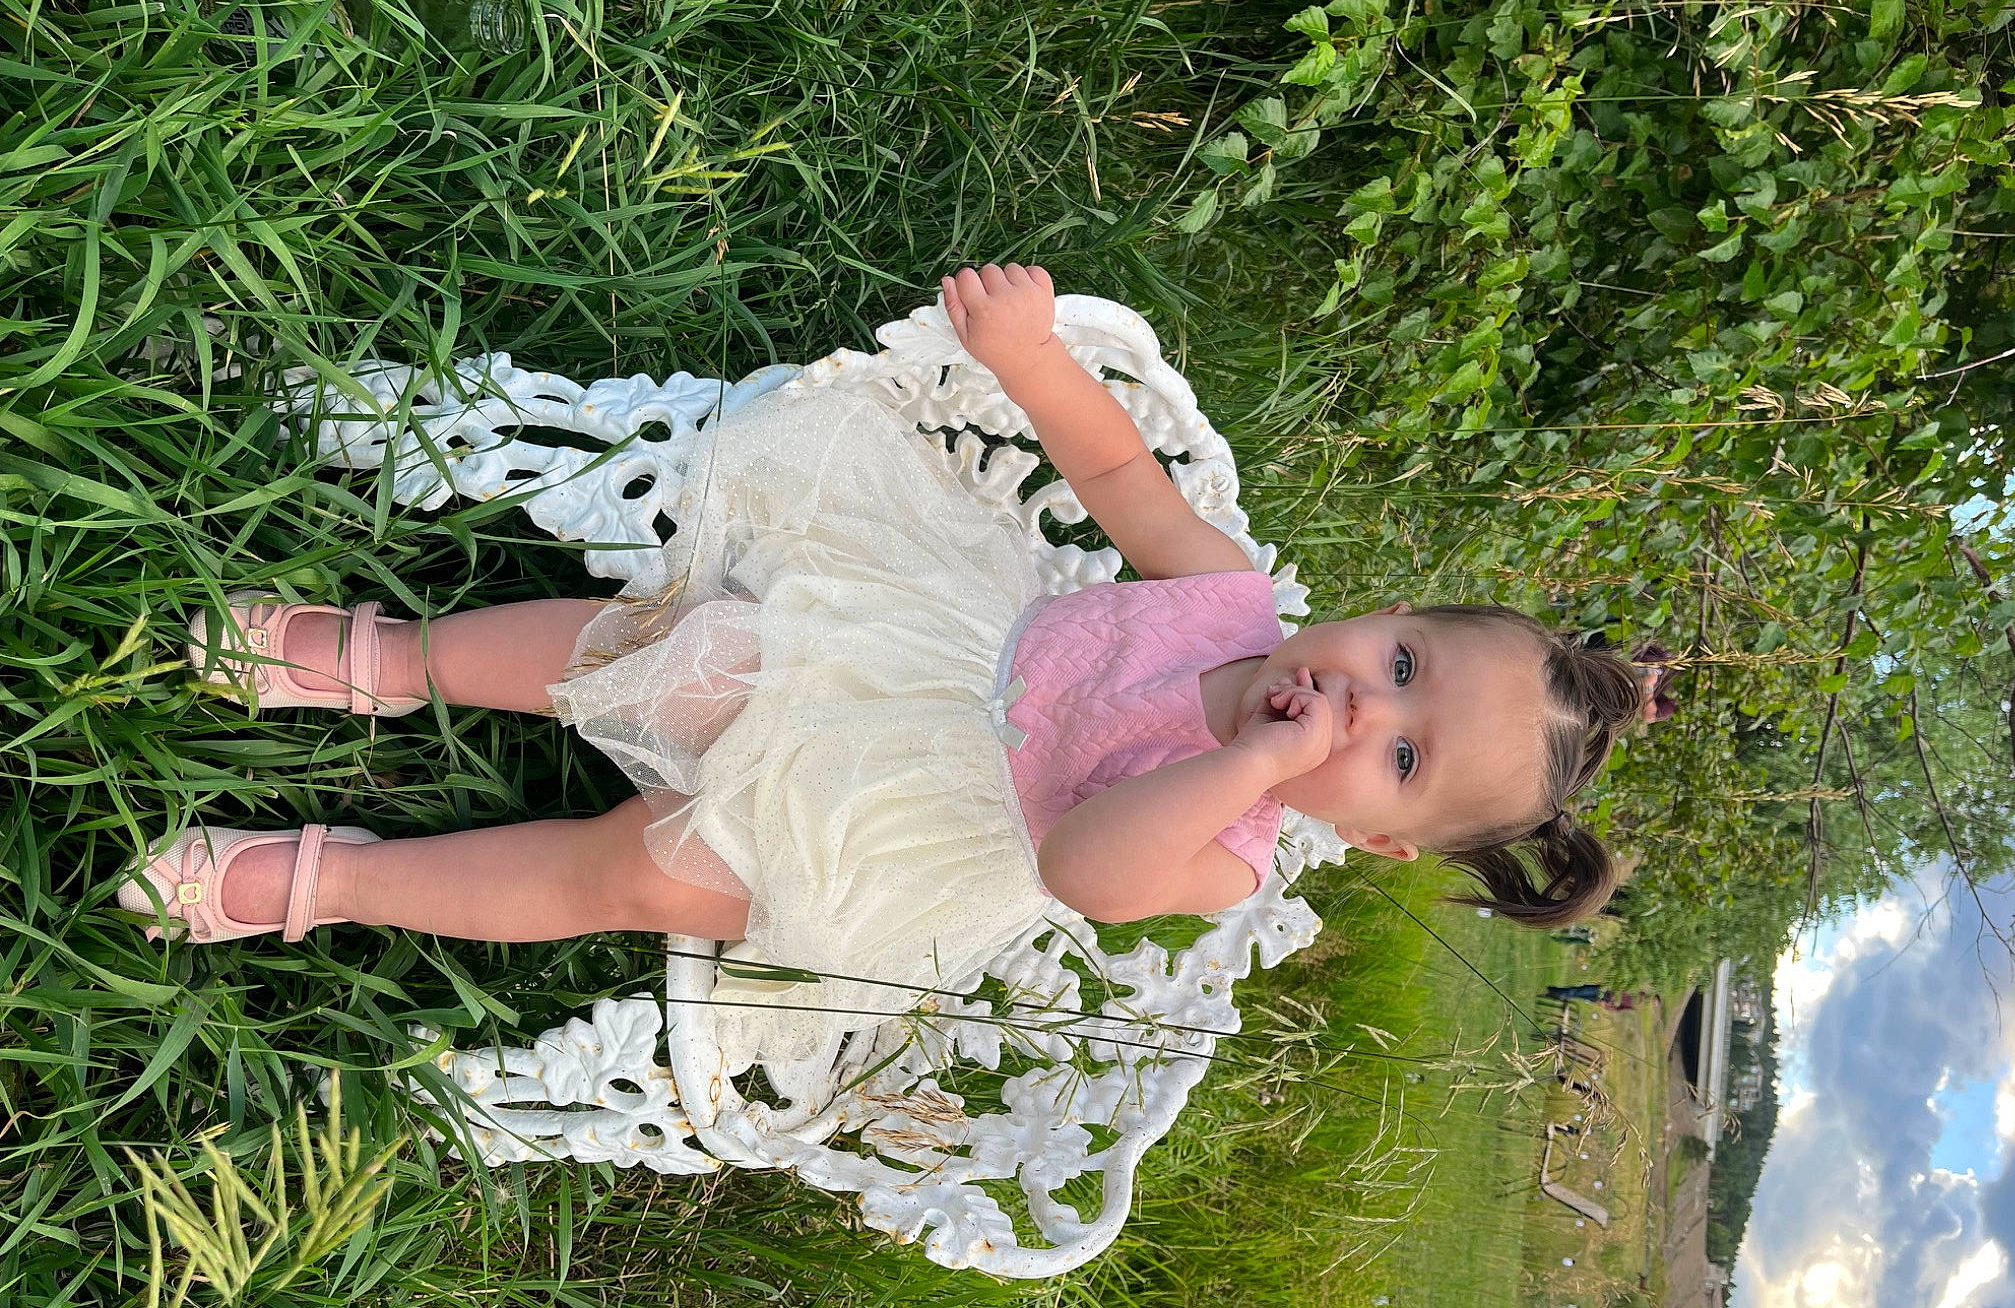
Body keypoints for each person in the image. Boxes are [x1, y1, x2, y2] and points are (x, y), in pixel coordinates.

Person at [121, 264, 1643, 1051]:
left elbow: (1088, 868)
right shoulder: (1229, 599)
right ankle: (383, 659)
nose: (1357, 701)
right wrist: (1034, 365)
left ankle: (318, 882)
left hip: (915, 828)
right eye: (1396, 657)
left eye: (1396, 748)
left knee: (640, 876)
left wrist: (1249, 759)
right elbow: (1122, 486)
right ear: (1374, 614)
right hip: (914, 650)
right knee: (673, 650)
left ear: (1372, 838)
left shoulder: (1236, 847)